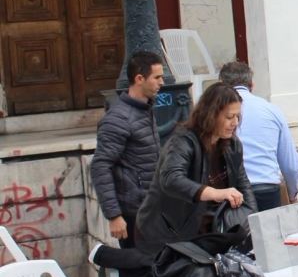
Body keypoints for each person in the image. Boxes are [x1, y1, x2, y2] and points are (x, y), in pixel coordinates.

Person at [136, 82, 256, 255]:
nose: (235, 123)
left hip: (206, 232)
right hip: (167, 233)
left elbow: (243, 183)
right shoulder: (183, 141)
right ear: (212, 115)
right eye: (229, 117)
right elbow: (171, 178)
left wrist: (252, 220)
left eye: (238, 117)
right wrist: (214, 192)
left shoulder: (232, 144)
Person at [91, 51, 165, 248]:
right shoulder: (118, 118)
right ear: (139, 78)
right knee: (137, 274)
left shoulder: (145, 110)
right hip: (133, 213)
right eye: (157, 77)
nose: (162, 82)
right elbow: (100, 166)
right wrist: (114, 215)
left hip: (151, 208)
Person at [219, 61, 298, 212]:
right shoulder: (271, 110)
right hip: (267, 189)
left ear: (221, 84)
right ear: (251, 84)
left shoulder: (217, 112)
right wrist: (292, 192)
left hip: (232, 193)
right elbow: (291, 165)